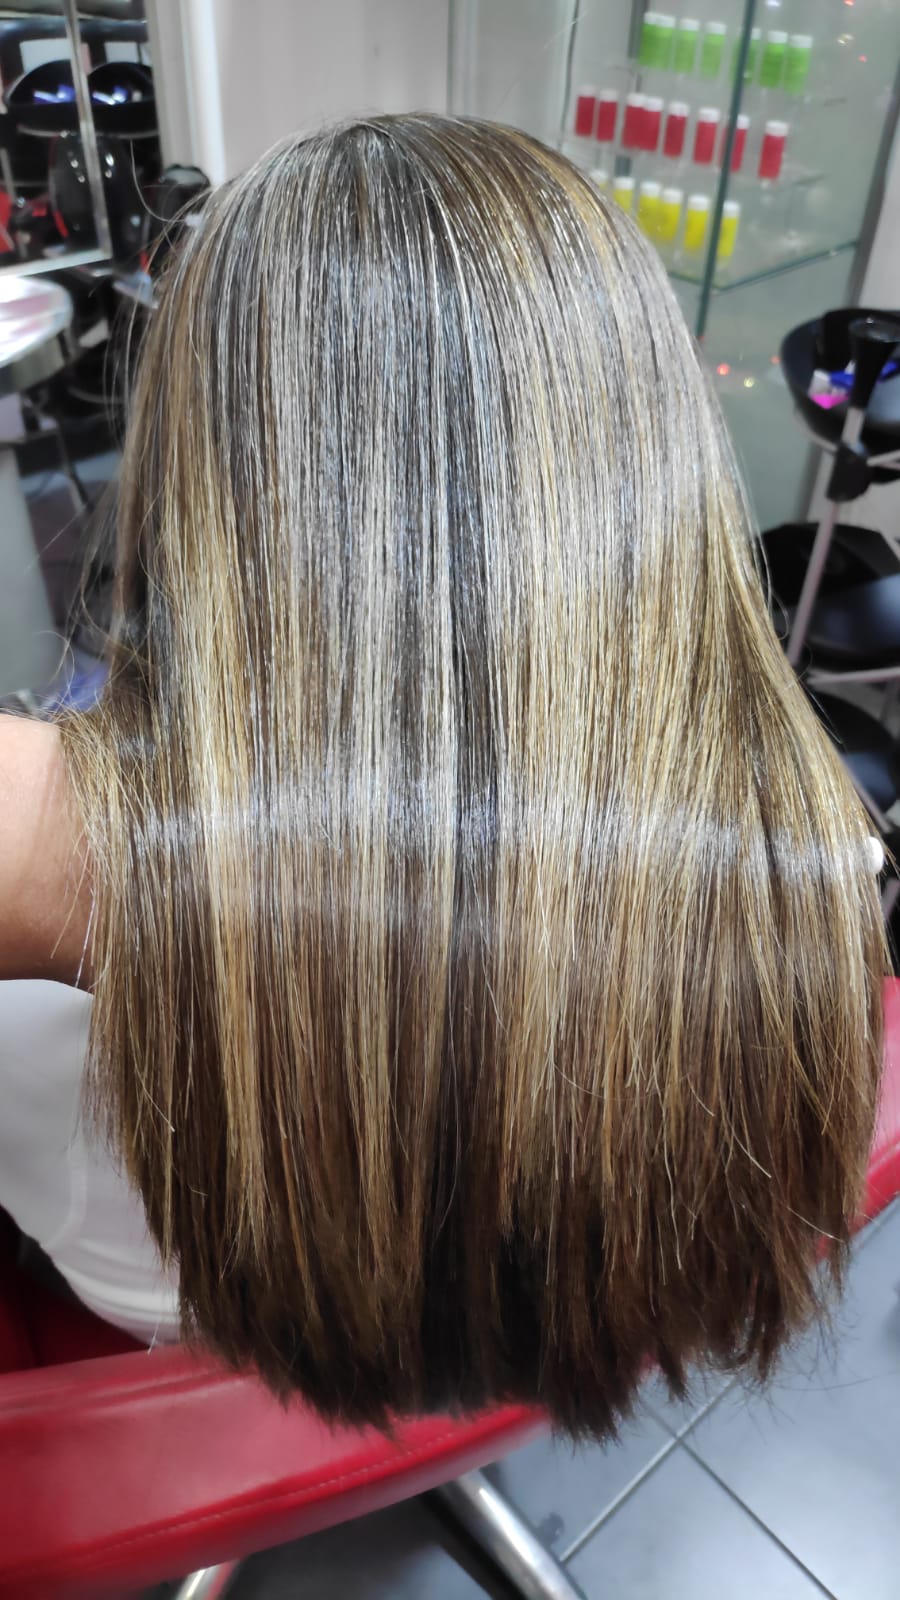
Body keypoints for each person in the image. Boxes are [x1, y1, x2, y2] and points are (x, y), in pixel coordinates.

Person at [0, 115, 887, 1437]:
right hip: (562, 1318)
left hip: (164, 1317)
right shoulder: (812, 859)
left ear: (200, 472)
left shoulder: (40, 858)